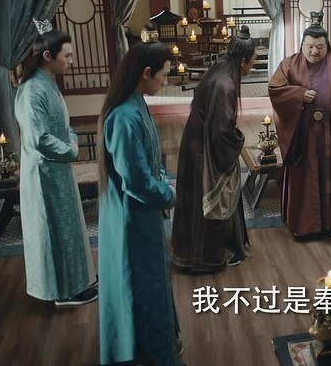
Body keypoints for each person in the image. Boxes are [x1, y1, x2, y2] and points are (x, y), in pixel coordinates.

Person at [96, 27, 182, 366]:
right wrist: (168, 193)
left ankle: (161, 348)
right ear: (146, 73)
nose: (165, 81)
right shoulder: (123, 117)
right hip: (131, 219)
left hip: (143, 213)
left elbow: (150, 159)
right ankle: (143, 355)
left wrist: (161, 179)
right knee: (139, 286)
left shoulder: (137, 105)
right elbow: (135, 181)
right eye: (163, 75)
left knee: (154, 282)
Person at [14, 28, 97, 307]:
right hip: (44, 173)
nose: (71, 60)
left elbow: (64, 125)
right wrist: (70, 150)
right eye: (67, 55)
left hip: (58, 169)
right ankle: (63, 291)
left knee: (69, 226)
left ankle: (77, 279)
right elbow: (38, 138)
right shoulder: (31, 90)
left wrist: (71, 141)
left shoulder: (48, 84)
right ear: (48, 56)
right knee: (54, 229)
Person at [268, 12, 331, 238]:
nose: (315, 51)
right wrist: (298, 94)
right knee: (306, 177)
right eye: (310, 47)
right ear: (302, 45)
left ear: (327, 45)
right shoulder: (290, 64)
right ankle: (305, 226)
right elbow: (275, 89)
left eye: (320, 47)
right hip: (303, 133)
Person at [171, 25, 258, 271]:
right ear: (243, 61)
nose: (254, 62)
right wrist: (238, 140)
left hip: (197, 144)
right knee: (206, 203)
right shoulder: (225, 85)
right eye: (254, 58)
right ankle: (204, 258)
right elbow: (222, 132)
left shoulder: (220, 69)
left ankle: (196, 253)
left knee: (198, 201)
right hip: (205, 151)